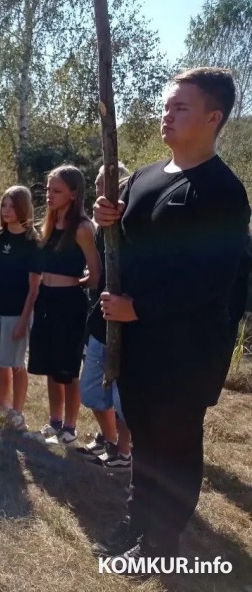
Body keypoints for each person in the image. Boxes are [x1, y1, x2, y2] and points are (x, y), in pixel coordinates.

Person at [93, 68, 250, 563]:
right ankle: (137, 522)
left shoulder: (222, 192)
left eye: (180, 108)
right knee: (144, 441)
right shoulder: (144, 176)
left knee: (175, 447)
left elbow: (213, 282)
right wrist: (105, 224)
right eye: (166, 106)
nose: (167, 114)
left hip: (186, 351)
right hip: (138, 344)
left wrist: (139, 308)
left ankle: (162, 541)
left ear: (212, 117)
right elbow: (124, 250)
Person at [27, 165, 101, 445]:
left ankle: (70, 428)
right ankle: (54, 422)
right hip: (45, 299)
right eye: (48, 189)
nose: (49, 195)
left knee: (68, 368)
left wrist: (75, 284)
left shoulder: (82, 228)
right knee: (49, 364)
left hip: (69, 304)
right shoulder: (47, 225)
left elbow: (95, 273)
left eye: (56, 190)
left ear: (73, 193)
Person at [77, 163, 133, 470]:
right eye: (97, 185)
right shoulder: (100, 227)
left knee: (120, 393)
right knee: (93, 389)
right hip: (99, 317)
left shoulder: (130, 222)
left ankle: (122, 451)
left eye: (103, 185)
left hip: (122, 318)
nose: (99, 191)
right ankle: (109, 439)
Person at [0, 186, 41, 432]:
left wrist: (24, 320)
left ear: (23, 208)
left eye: (12, 206)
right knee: (0, 363)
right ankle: (2, 407)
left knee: (16, 363)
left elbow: (34, 287)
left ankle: (18, 412)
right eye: (3, 205)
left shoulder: (32, 242)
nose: (6, 211)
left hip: (17, 312)